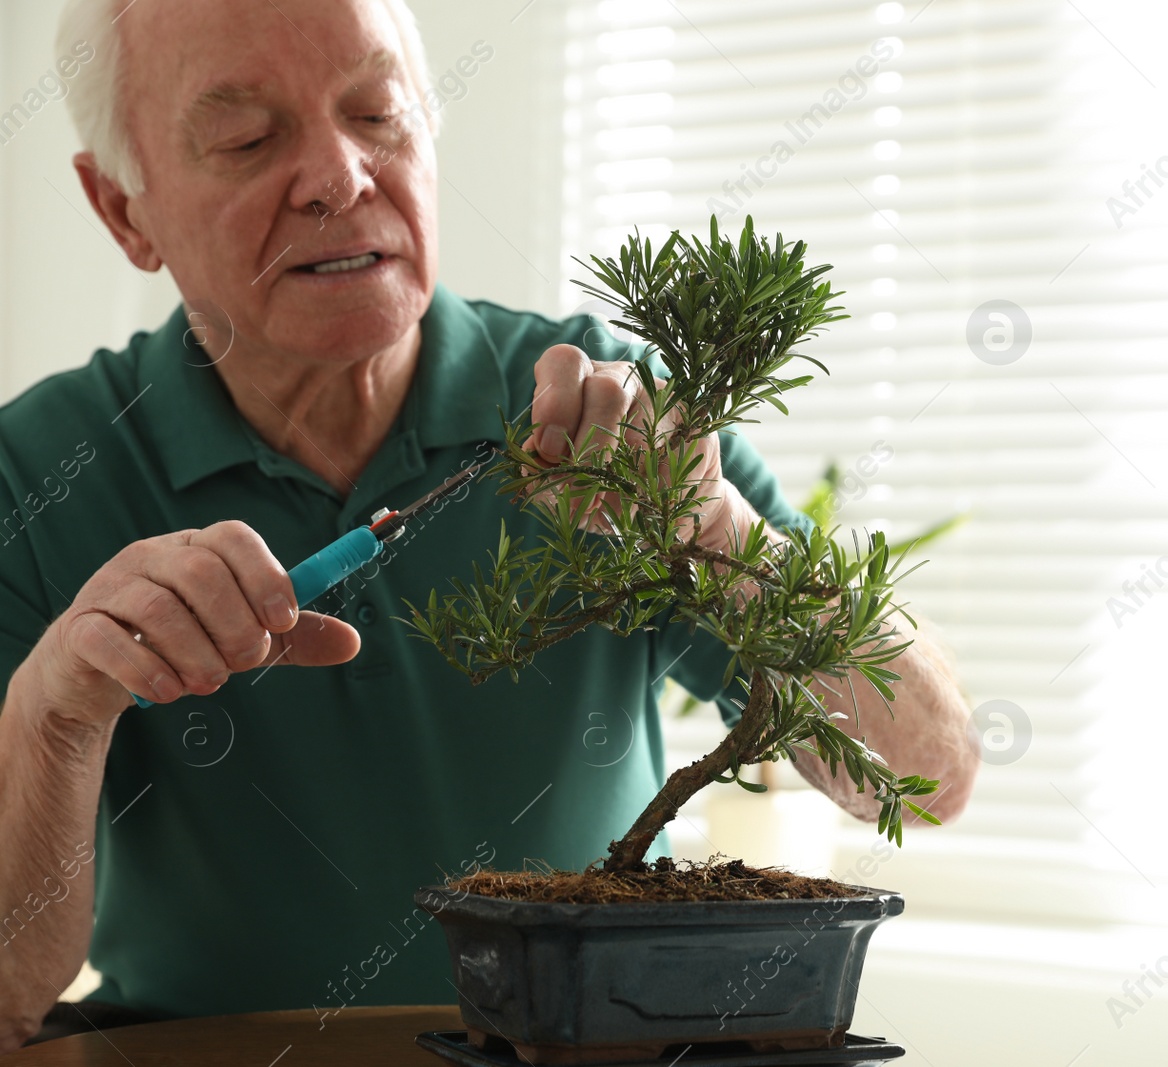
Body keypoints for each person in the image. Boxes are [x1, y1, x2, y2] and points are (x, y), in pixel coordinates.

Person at [0, 0, 980, 1050]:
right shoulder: (37, 470)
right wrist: (59, 703)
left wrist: (717, 532)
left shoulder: (617, 418)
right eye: (246, 138)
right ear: (124, 210)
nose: (340, 176)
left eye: (379, 114)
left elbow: (925, 778)